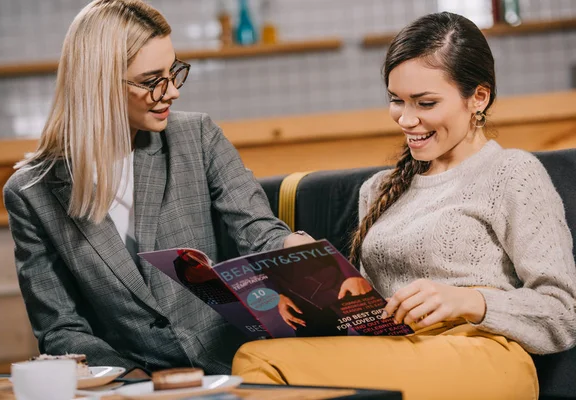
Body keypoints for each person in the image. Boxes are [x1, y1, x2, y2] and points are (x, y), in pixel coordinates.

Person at [231, 12, 576, 400]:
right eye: (396, 100)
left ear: (478, 97)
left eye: (425, 103)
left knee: (262, 362)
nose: (407, 119)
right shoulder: (380, 188)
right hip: (398, 351)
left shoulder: (512, 172)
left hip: (484, 355)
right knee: (261, 357)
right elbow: (374, 313)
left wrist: (468, 300)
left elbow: (561, 313)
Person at [3, 0, 312, 376]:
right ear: (97, 83)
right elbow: (61, 328)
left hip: (236, 366)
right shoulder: (31, 192)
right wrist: (132, 380)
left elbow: (258, 232)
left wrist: (293, 248)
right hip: (128, 380)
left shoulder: (197, 136)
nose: (171, 92)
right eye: (152, 81)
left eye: (173, 72)